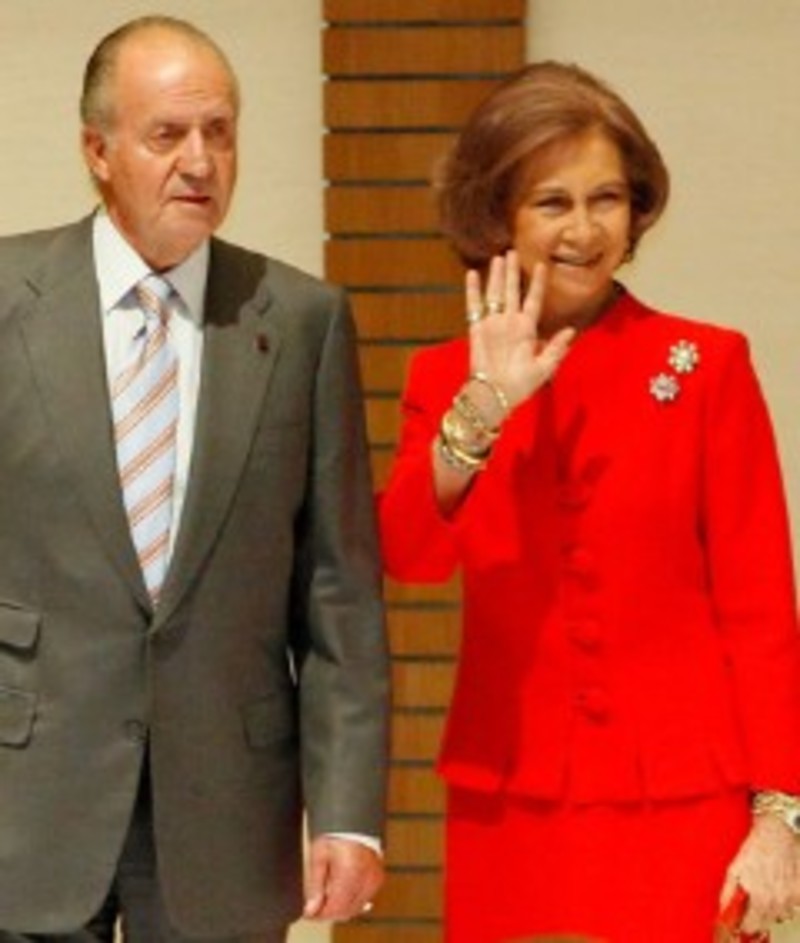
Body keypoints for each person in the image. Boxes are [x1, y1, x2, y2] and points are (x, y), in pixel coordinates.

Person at [379, 61, 800, 943]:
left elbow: (761, 611)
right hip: (508, 797)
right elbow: (410, 554)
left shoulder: (706, 367)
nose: (584, 229)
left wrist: (779, 816)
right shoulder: (446, 378)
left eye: (606, 198)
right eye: (552, 203)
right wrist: (484, 407)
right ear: (497, 216)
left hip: (681, 797)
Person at [0, 15, 389, 943]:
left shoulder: (301, 320)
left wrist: (348, 813)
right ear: (98, 150)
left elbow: (339, 590)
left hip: (226, 805)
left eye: (219, 132)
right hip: (28, 790)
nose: (200, 161)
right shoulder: (8, 298)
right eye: (167, 135)